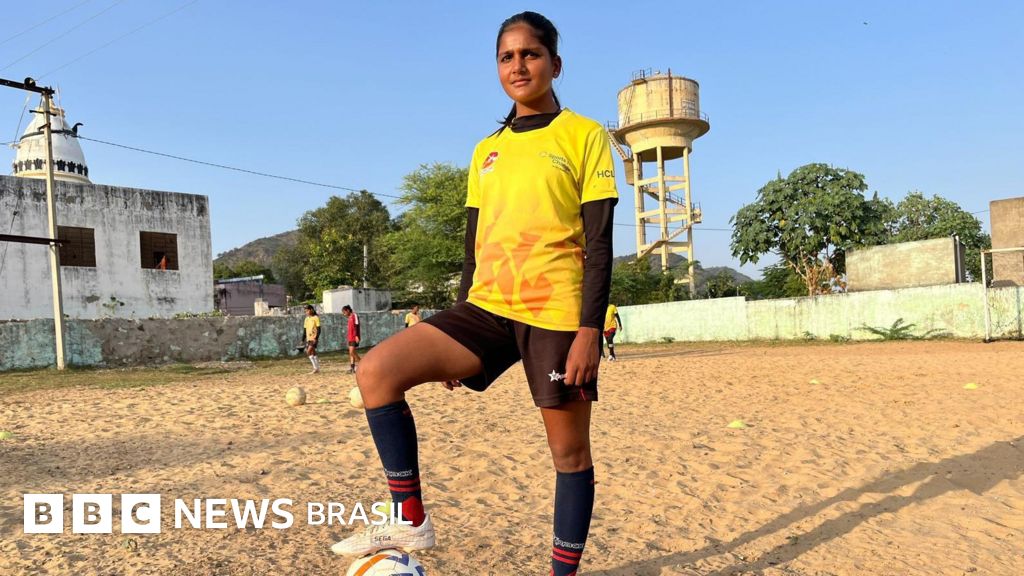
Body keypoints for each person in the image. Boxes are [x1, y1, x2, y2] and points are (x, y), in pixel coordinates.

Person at [331, 12, 616, 576]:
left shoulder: (584, 135)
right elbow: (473, 246)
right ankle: (410, 517)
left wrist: (589, 331)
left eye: (531, 54)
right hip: (485, 308)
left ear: (555, 64)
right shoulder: (486, 149)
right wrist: (456, 328)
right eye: (507, 57)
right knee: (376, 372)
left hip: (556, 315)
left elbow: (600, 242)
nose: (519, 65)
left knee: (568, 455)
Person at [342, 305, 361, 374]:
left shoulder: (354, 315)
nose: (344, 314)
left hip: (354, 337)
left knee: (352, 352)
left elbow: (356, 325)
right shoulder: (349, 317)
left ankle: (362, 363)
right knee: (351, 353)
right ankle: (352, 368)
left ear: (348, 310)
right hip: (350, 337)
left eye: (344, 312)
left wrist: (356, 336)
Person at [303, 304, 321, 374]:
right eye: (305, 311)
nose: (306, 312)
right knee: (313, 352)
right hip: (309, 338)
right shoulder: (306, 319)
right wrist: (302, 339)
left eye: (307, 310)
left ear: (311, 310)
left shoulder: (316, 318)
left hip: (314, 338)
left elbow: (319, 329)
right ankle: (317, 368)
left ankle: (315, 368)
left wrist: (316, 338)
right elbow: (305, 330)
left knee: (308, 351)